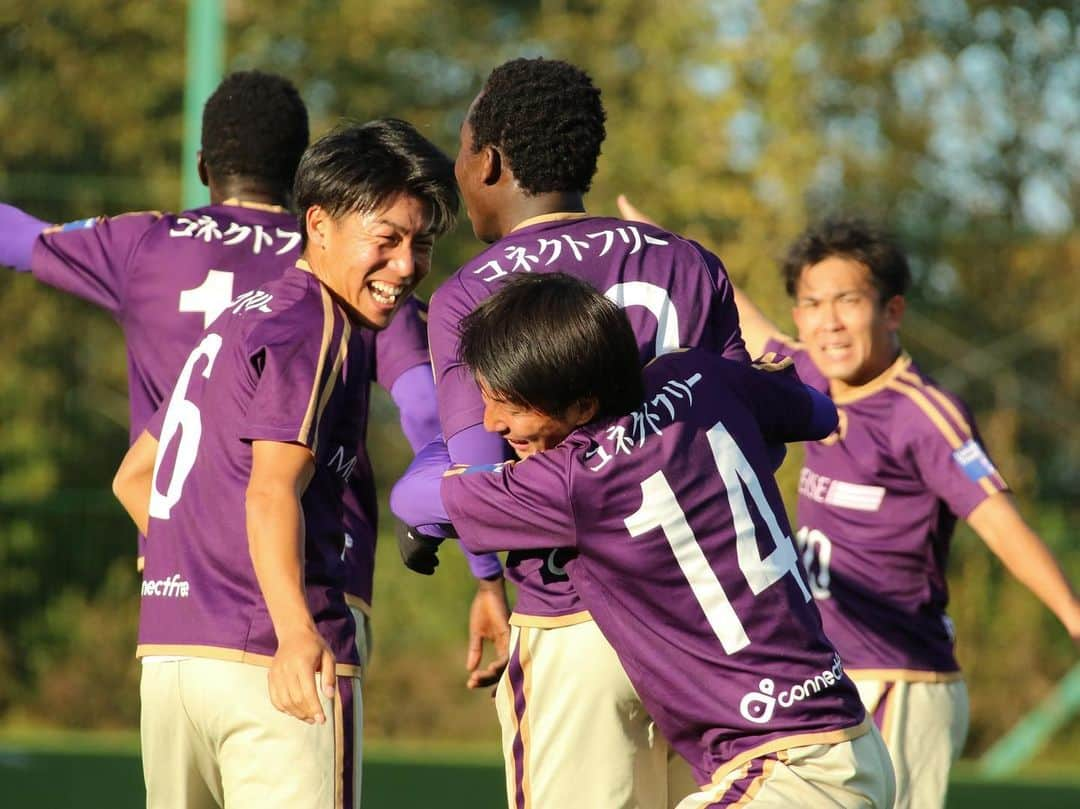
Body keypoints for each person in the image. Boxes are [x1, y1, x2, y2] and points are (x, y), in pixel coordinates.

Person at [0, 69, 498, 666]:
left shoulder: (143, 244)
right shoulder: (343, 257)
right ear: (303, 177)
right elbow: (424, 408)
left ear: (204, 166)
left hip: (178, 593)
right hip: (316, 585)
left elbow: (17, 238)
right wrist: (482, 568)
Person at [618, 198, 1080, 809]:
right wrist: (672, 250)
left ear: (893, 310)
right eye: (812, 303)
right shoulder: (809, 377)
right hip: (832, 674)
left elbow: (998, 523)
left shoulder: (920, 413)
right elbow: (753, 324)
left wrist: (1073, 615)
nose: (828, 321)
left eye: (848, 301)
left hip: (901, 678)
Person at [393, 272, 896, 809]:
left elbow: (412, 499)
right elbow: (817, 413)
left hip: (787, 772)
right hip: (839, 739)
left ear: (584, 406)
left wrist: (452, 463)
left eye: (510, 407)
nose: (491, 423)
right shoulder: (698, 374)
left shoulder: (572, 480)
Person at [419, 56, 751, 809]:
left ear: (491, 160)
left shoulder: (470, 293)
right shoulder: (692, 263)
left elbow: (481, 476)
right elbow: (751, 437)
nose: (458, 169)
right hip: (706, 624)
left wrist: (486, 582)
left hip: (573, 614)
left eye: (463, 150)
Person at [111, 118, 458, 809]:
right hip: (274, 657)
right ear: (319, 223)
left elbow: (133, 477)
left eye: (420, 244)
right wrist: (296, 630)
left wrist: (196, 566)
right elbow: (273, 490)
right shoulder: (316, 323)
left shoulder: (240, 315)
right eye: (386, 239)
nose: (407, 265)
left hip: (174, 660)